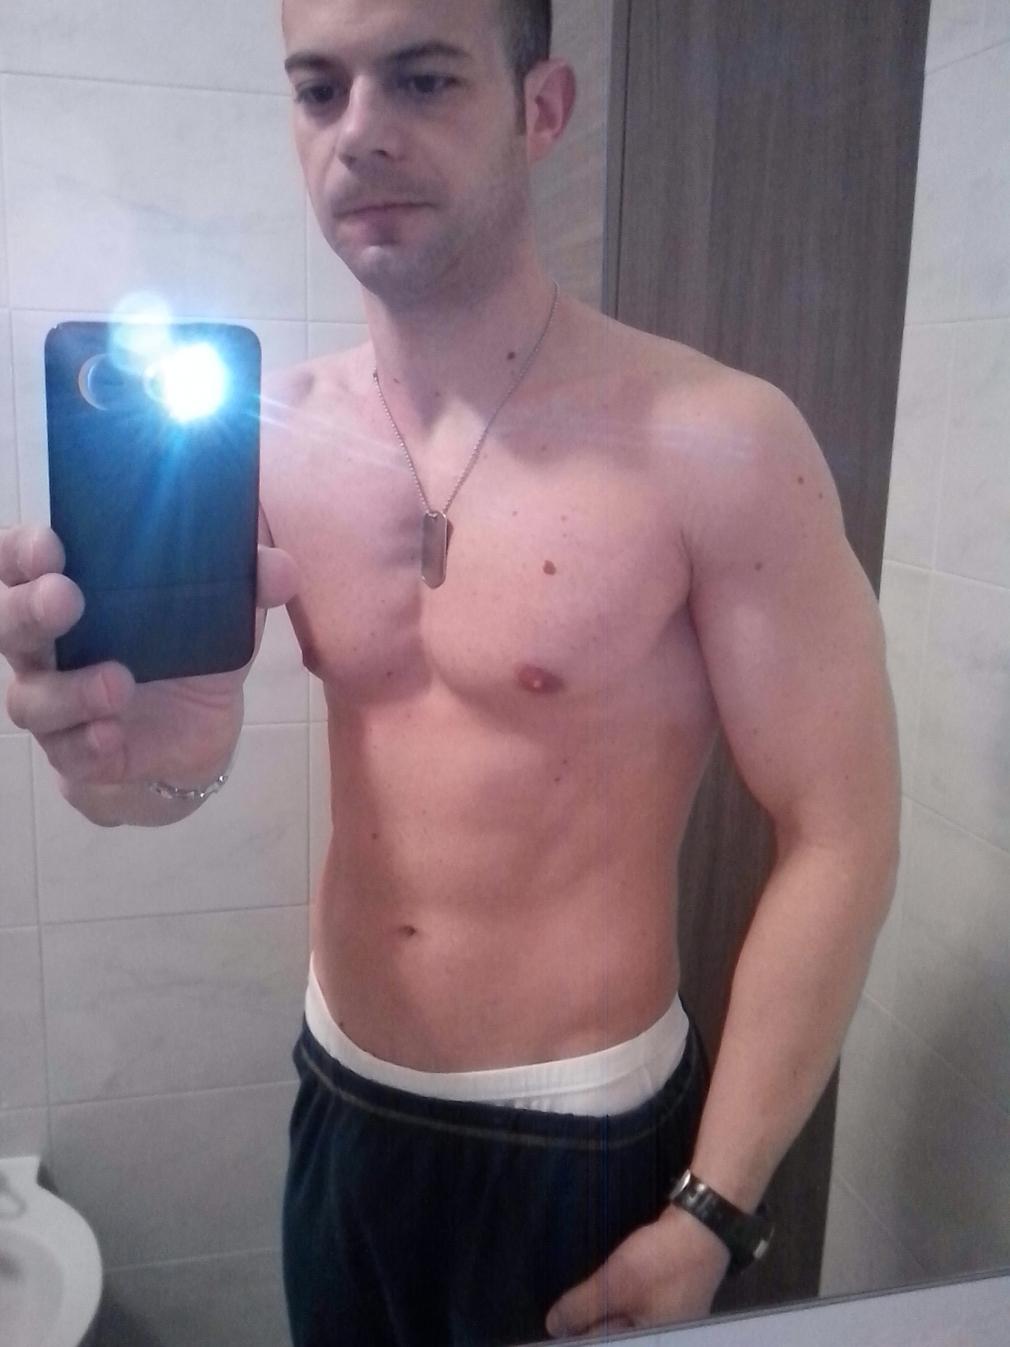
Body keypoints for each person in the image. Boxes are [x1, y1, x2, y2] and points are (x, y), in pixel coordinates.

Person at [0, 0, 902, 1342]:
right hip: (344, 1102)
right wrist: (143, 772)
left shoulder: (716, 441)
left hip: (584, 1136)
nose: (360, 133)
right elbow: (159, 783)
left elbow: (841, 829)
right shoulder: (265, 439)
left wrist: (712, 1213)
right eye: (319, 90)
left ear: (541, 108)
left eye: (422, 80)